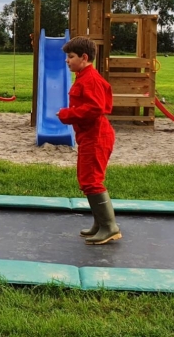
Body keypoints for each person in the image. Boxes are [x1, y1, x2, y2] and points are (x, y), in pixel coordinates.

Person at [57, 37, 122, 245]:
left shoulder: (90, 79)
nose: (67, 61)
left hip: (97, 136)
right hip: (89, 136)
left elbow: (96, 108)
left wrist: (68, 114)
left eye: (71, 57)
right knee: (86, 180)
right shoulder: (82, 76)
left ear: (84, 57)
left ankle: (110, 227)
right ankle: (100, 223)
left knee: (92, 180)